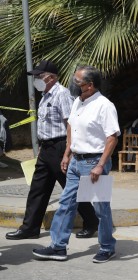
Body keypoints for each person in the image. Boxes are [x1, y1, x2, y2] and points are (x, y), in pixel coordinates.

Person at [32, 65, 120, 263]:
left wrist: (100, 165)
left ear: (89, 85)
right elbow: (71, 125)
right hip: (75, 161)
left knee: (100, 209)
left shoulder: (104, 105)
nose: (73, 84)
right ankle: (58, 246)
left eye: (77, 81)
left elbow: (112, 137)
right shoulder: (77, 102)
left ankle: (107, 247)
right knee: (66, 203)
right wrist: (67, 153)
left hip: (93, 162)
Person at [5, 60, 98, 241]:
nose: (37, 79)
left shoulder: (61, 94)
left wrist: (68, 153)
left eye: (40, 76)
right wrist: (41, 149)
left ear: (51, 77)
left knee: (71, 188)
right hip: (47, 148)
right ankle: (30, 228)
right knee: (37, 189)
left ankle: (92, 222)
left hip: (60, 146)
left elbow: (70, 125)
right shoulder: (45, 95)